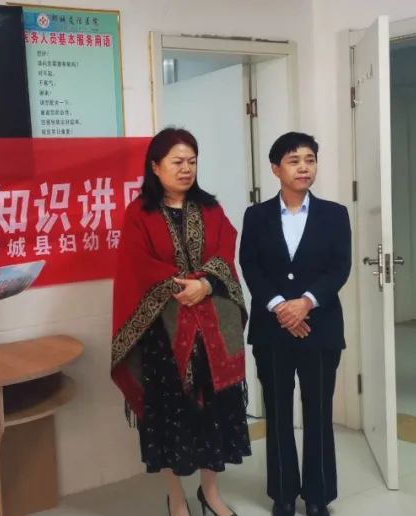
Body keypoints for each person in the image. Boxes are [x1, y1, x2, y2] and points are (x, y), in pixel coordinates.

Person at [111, 128, 251, 516]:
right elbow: (137, 265)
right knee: (168, 416)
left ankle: (210, 492)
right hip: (163, 336)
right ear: (155, 167)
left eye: (192, 161)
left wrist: (205, 284)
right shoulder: (139, 213)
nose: (186, 169)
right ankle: (175, 495)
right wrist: (181, 287)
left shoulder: (210, 209)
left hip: (212, 333)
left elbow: (225, 249)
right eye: (177, 162)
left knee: (214, 414)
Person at [239, 132, 352, 516]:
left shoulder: (334, 214)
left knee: (318, 413)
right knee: (278, 412)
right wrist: (279, 308)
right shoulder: (256, 216)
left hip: (320, 328)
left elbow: (340, 267)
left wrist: (305, 303)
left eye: (310, 159)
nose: (304, 167)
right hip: (271, 331)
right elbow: (250, 265)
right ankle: (283, 493)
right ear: (276, 169)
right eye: (294, 160)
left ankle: (318, 496)